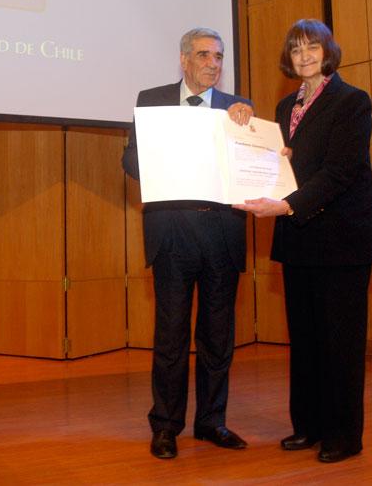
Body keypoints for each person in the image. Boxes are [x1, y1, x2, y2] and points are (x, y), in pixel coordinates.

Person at [234, 19, 372, 463]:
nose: (304, 56)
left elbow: (339, 172)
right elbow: (278, 161)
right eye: (296, 50)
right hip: (299, 240)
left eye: (312, 47)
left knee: (340, 344)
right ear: (289, 59)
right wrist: (240, 117)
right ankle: (309, 427)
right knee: (307, 340)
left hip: (340, 240)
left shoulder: (352, 101)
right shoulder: (283, 108)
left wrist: (287, 205)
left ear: (328, 51)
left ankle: (343, 436)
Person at [122, 27, 254, 459]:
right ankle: (165, 426)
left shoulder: (239, 108)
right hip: (173, 235)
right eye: (203, 55)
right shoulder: (152, 100)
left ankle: (212, 422)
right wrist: (166, 159)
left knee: (218, 339)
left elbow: (251, 164)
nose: (212, 64)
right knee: (172, 338)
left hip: (221, 234)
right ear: (183, 60)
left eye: (218, 56)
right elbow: (131, 160)